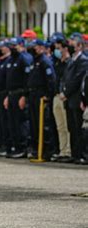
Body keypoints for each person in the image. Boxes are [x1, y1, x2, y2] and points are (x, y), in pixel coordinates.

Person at [27, 39, 56, 159]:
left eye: (37, 47)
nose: (35, 49)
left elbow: (51, 80)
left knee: (43, 124)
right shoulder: (34, 61)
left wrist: (47, 95)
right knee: (34, 124)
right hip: (33, 94)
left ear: (43, 48)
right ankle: (36, 149)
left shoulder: (45, 61)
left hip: (41, 95)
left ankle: (45, 150)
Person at [62, 33, 88, 165]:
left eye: (72, 43)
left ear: (79, 46)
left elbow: (77, 80)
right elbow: (66, 78)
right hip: (69, 99)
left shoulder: (83, 60)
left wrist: (66, 93)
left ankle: (81, 154)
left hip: (76, 98)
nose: (70, 45)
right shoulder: (72, 59)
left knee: (78, 128)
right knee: (72, 127)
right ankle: (74, 153)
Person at [4, 37, 32, 158]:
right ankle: (16, 146)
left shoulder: (24, 59)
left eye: (14, 46)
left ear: (21, 45)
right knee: (12, 122)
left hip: (20, 94)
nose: (12, 48)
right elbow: (8, 80)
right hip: (11, 94)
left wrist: (24, 96)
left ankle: (23, 146)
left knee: (21, 122)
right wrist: (7, 95)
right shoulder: (11, 59)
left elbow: (27, 80)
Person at [51, 35, 72, 163]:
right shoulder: (58, 62)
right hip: (56, 96)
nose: (56, 51)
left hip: (65, 96)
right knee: (60, 126)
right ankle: (62, 150)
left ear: (65, 48)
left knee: (67, 125)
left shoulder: (70, 63)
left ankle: (68, 151)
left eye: (59, 48)